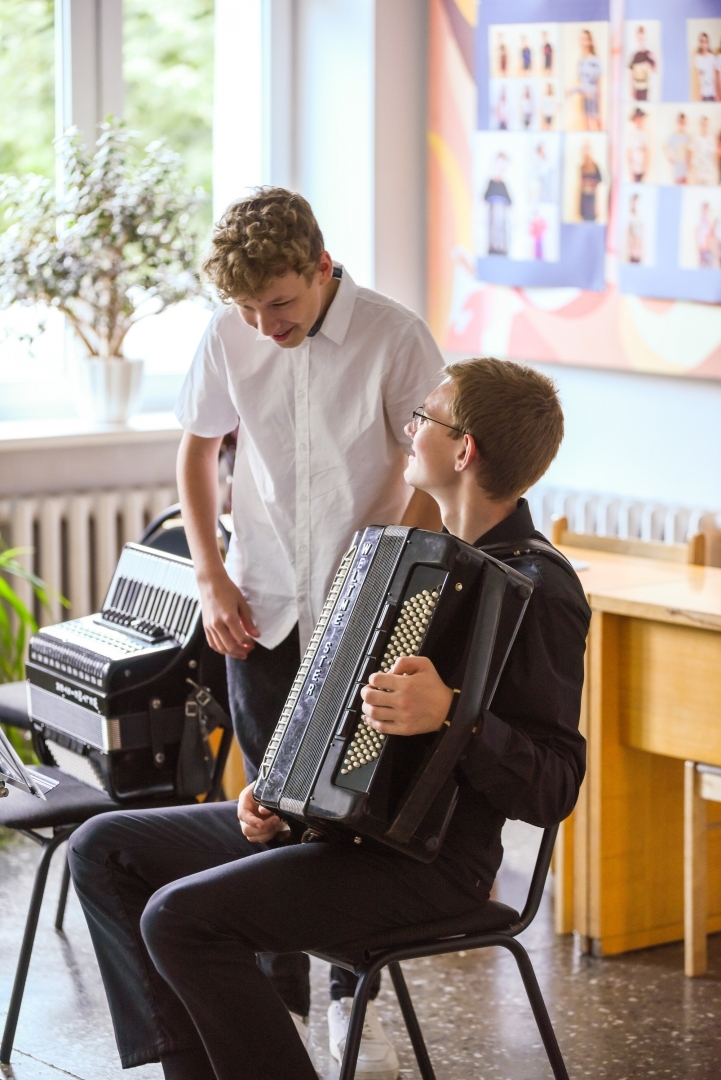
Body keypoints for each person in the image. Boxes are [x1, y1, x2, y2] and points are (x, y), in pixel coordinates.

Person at [67, 357, 590, 1080]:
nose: (410, 430)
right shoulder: (414, 561)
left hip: (434, 869)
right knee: (103, 847)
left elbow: (555, 785)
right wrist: (282, 797)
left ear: (463, 449)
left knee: (181, 919)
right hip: (343, 835)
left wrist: (454, 718)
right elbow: (336, 710)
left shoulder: (539, 590)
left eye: (424, 419)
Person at [87, 187, 441, 1078]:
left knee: (351, 812)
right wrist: (208, 574)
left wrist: (393, 561)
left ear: (320, 268)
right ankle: (263, 1002)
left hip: (363, 611)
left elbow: (433, 466)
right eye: (246, 309)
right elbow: (198, 449)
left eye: (278, 304)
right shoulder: (231, 330)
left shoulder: (396, 336)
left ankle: (346, 987)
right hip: (261, 604)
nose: (263, 324)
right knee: (268, 813)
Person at [575, 28, 603, 131]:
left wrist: (599, 104)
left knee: (597, 122)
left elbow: (599, 83)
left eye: (586, 39)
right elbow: (580, 82)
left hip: (594, 98)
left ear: (590, 41)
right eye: (582, 39)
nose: (584, 42)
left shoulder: (595, 60)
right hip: (584, 98)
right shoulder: (581, 61)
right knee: (586, 125)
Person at [484, 154, 512, 255]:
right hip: (491, 239)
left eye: (504, 165)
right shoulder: (490, 183)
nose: (502, 168)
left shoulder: (505, 185)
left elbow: (510, 205)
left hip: (503, 241)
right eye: (500, 164)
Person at [628, 25, 656, 101]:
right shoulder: (634, 56)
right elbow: (631, 74)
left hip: (646, 88)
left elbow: (655, 70)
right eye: (639, 39)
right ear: (636, 39)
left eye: (643, 39)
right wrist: (631, 89)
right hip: (637, 89)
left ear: (645, 38)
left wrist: (654, 60)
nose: (641, 41)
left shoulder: (649, 54)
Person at [664, 112, 691, 184]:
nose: (682, 124)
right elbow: (665, 146)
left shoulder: (687, 137)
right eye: (680, 122)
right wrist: (669, 158)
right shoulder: (674, 136)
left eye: (683, 122)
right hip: (676, 168)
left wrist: (689, 163)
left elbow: (689, 151)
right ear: (677, 123)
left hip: (685, 168)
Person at [579, 142, 603, 222]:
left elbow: (598, 187)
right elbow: (580, 187)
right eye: (584, 149)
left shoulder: (595, 166)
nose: (586, 151)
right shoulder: (582, 167)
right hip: (584, 200)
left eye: (587, 148)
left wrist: (597, 207)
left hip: (592, 200)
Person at [691, 114, 717, 185]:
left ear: (708, 125)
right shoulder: (696, 139)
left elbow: (714, 156)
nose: (704, 126)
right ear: (700, 125)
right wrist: (693, 172)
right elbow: (693, 156)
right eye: (702, 124)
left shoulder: (711, 139)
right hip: (698, 173)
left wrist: (714, 171)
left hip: (709, 173)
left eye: (705, 124)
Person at [627, 108, 649, 183]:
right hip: (634, 166)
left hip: (642, 166)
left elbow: (647, 152)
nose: (639, 120)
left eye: (640, 118)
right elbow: (628, 153)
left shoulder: (645, 133)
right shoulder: (631, 134)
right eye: (637, 118)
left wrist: (645, 168)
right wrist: (630, 169)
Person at [693, 32, 717, 102]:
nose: (703, 44)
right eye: (702, 41)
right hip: (702, 94)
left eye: (705, 41)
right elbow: (697, 78)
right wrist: (699, 94)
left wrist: (716, 94)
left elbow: (714, 76)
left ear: (708, 43)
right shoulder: (697, 58)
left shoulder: (712, 57)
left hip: (711, 93)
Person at [626, 193, 644, 264]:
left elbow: (642, 237)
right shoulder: (629, 218)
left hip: (638, 253)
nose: (634, 205)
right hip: (630, 253)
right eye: (633, 203)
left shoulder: (641, 219)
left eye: (636, 202)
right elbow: (627, 236)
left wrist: (640, 252)